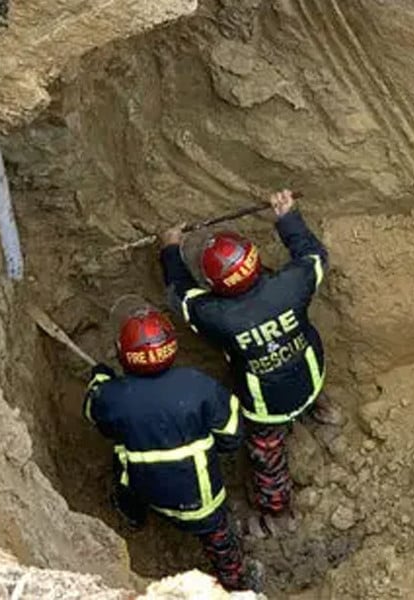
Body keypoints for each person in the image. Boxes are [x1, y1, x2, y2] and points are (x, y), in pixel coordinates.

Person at [159, 189, 342, 538]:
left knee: (267, 456)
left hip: (267, 407)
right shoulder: (291, 284)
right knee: (301, 379)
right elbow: (314, 256)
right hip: (309, 372)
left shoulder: (218, 316)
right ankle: (323, 411)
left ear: (214, 286)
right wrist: (288, 217)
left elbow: (180, 296)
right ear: (254, 259)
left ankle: (277, 514)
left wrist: (170, 249)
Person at [83, 301, 263, 591]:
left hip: (148, 490)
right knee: (218, 536)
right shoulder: (198, 385)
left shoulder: (112, 397)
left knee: (121, 455)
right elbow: (232, 434)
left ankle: (132, 517)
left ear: (123, 353)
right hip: (200, 498)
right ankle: (236, 581)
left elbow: (96, 417)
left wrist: (101, 381)